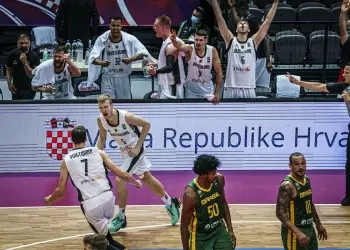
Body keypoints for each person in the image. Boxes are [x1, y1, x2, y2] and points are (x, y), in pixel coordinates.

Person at [44, 126, 142, 250]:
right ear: (86, 138)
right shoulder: (98, 152)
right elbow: (121, 173)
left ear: (72, 140)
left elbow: (60, 191)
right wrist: (135, 182)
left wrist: (49, 200)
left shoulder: (67, 160)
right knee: (105, 239)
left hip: (91, 205)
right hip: (108, 200)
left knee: (104, 242)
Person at [96, 94, 181, 232]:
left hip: (136, 148)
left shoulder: (125, 116)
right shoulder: (101, 120)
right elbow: (102, 138)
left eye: (106, 107)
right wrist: (97, 154)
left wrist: (137, 147)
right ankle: (171, 203)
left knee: (120, 178)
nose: (104, 110)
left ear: (112, 106)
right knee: (146, 178)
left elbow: (146, 124)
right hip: (125, 151)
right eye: (101, 108)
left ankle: (121, 217)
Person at [286, 70, 350, 206]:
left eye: (347, 72)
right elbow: (320, 86)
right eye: (344, 72)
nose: (343, 75)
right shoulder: (343, 87)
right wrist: (298, 83)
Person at [212, 0, 278, 98]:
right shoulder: (230, 41)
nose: (242, 24)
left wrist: (276, 2)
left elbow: (267, 21)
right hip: (231, 87)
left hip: (248, 88)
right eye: (240, 23)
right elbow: (219, 18)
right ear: (236, 29)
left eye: (245, 24)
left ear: (249, 29)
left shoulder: (253, 42)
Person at [88, 16, 155, 99]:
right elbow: (91, 58)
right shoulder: (102, 39)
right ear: (109, 26)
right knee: (108, 103)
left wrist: (131, 59)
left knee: (124, 104)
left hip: (123, 77)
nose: (115, 28)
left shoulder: (129, 38)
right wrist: (101, 63)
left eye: (118, 26)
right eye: (113, 25)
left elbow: (144, 54)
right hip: (108, 77)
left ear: (121, 26)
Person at [181, 154, 236, 250]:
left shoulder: (219, 179)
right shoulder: (190, 194)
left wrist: (230, 230)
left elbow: (223, 203)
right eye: (213, 173)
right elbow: (184, 226)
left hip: (219, 230)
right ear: (203, 174)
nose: (216, 175)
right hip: (200, 236)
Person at [275, 152, 328, 250]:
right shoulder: (287, 185)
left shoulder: (307, 180)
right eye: (296, 164)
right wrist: (298, 233)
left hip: (309, 229)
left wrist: (318, 224)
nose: (301, 167)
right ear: (290, 166)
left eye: (303, 163)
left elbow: (310, 204)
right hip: (294, 232)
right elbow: (280, 213)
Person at [228, 0, 272, 88]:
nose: (236, 14)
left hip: (260, 57)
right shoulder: (244, 22)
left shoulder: (253, 20)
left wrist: (268, 60)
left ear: (241, 9)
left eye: (237, 12)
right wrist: (232, 8)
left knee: (259, 87)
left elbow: (266, 38)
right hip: (251, 56)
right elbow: (235, 24)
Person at [170, 29, 222, 104]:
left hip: (207, 91)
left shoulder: (212, 50)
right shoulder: (190, 48)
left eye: (201, 40)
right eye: (196, 40)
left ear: (205, 40)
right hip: (191, 91)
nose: (198, 42)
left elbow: (219, 72)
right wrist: (174, 41)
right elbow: (181, 47)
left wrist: (217, 93)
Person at [148, 15, 186, 99]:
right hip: (166, 84)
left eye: (155, 25)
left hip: (172, 86)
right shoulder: (166, 41)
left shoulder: (171, 44)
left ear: (163, 28)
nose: (153, 28)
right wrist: (156, 64)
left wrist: (156, 71)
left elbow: (170, 67)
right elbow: (169, 62)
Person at [5, 34, 40, 100]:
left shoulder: (35, 56)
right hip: (16, 87)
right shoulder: (12, 54)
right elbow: (8, 68)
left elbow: (32, 75)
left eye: (26, 43)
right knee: (16, 108)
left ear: (30, 43)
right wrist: (9, 83)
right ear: (17, 43)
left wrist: (25, 62)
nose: (24, 45)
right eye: (21, 43)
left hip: (30, 88)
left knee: (27, 108)